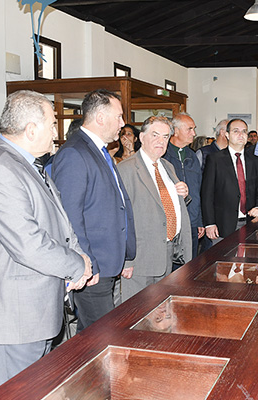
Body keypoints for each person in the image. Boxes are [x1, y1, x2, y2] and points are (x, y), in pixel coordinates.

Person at [0, 90, 92, 388]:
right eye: (51, 125)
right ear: (31, 129)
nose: (55, 133)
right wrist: (77, 266)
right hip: (14, 317)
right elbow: (29, 245)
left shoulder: (27, 164)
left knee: (38, 389)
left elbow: (60, 222)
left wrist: (80, 256)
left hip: (36, 311)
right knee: (19, 392)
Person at [52, 89, 137, 332]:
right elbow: (69, 216)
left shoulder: (98, 150)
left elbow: (117, 203)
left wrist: (125, 255)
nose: (122, 123)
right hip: (93, 264)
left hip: (108, 261)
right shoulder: (75, 152)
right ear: (100, 118)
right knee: (102, 335)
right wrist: (87, 263)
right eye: (118, 117)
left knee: (93, 333)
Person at [117, 116, 192, 302]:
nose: (161, 141)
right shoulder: (126, 169)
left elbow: (163, 203)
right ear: (142, 137)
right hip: (139, 259)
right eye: (155, 135)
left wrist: (182, 194)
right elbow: (119, 218)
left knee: (160, 311)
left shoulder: (167, 166)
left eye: (165, 137)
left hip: (167, 254)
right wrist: (126, 260)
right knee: (136, 312)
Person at [201, 118, 258, 244]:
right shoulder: (215, 159)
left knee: (249, 256)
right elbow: (207, 194)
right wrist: (209, 223)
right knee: (223, 257)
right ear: (227, 134)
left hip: (250, 223)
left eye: (244, 131)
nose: (240, 135)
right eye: (236, 131)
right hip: (222, 225)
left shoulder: (255, 161)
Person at [163, 113, 204, 261]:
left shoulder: (192, 156)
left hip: (191, 221)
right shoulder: (163, 155)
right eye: (189, 129)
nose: (194, 133)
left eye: (194, 129)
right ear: (175, 131)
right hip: (170, 222)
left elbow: (198, 189)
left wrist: (199, 221)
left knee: (190, 264)